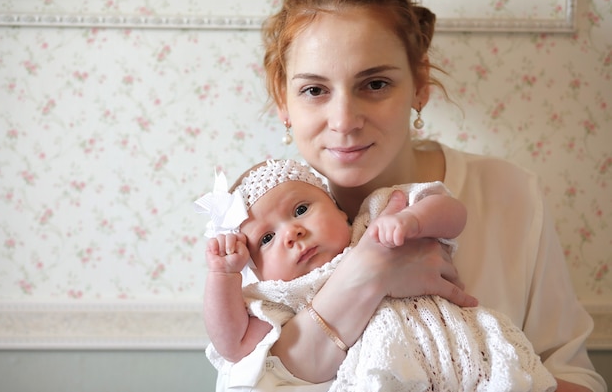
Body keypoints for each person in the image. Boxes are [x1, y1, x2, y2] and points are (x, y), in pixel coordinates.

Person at [250, 0, 606, 391]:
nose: (344, 121)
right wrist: (367, 273)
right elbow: (249, 380)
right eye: (314, 89)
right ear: (282, 98)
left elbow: (575, 377)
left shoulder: (508, 194)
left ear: (419, 84)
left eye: (376, 84)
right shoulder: (257, 229)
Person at [196, 158, 556, 391]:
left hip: (463, 355)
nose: (291, 233)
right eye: (267, 238)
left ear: (339, 211)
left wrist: (413, 220)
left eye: (301, 209)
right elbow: (236, 346)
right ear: (256, 269)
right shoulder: (281, 297)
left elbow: (453, 214)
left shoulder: (377, 216)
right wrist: (222, 276)